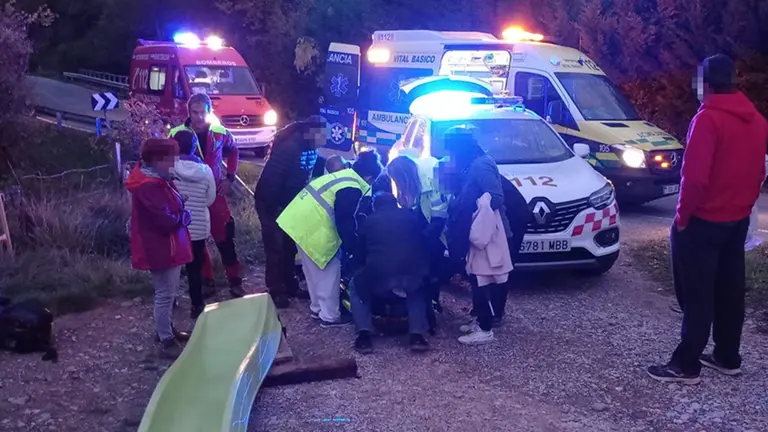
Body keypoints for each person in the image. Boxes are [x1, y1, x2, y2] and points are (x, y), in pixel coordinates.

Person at [648, 54, 768, 384]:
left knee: (697, 294)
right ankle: (728, 356)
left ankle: (686, 364)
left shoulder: (707, 119)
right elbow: (759, 172)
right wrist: (743, 206)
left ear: (708, 84)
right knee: (730, 289)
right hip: (736, 220)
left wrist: (682, 217)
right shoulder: (758, 121)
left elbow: (695, 178)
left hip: (702, 221)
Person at [277, 149, 384, 327]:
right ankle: (330, 316)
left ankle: (317, 308)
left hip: (297, 222)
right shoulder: (351, 187)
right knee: (330, 271)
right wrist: (354, 248)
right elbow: (345, 221)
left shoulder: (343, 176)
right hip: (315, 227)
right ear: (369, 177)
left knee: (312, 270)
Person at [169, 93, 244, 298]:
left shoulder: (220, 132)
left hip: (216, 194)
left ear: (210, 112)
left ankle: (235, 280)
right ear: (189, 112)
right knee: (196, 240)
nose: (199, 117)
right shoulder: (176, 134)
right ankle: (207, 281)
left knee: (225, 238)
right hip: (189, 197)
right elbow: (166, 161)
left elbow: (234, 151)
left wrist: (230, 178)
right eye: (195, 112)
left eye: (203, 112)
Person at [442, 127, 512, 345]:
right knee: (476, 277)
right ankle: (481, 319)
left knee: (482, 279)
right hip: (479, 231)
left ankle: (485, 327)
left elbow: (495, 197)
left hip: (485, 234)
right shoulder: (476, 162)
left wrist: (471, 210)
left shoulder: (480, 165)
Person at [126, 138, 193, 359]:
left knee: (169, 291)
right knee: (165, 293)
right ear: (158, 159)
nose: (174, 162)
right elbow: (165, 220)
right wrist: (183, 217)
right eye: (171, 158)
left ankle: (167, 329)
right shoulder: (150, 186)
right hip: (161, 247)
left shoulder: (158, 180)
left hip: (167, 245)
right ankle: (166, 338)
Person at [254, 116, 326, 308]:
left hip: (288, 204)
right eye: (322, 135)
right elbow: (272, 181)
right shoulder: (290, 148)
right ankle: (276, 290)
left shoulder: (310, 148)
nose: (324, 140)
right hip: (271, 204)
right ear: (310, 133)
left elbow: (310, 172)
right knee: (275, 247)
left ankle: (290, 284)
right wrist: (274, 210)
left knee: (289, 245)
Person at [350, 192, 431, 353]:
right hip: (411, 276)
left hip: (380, 278)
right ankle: (417, 335)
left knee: (355, 286)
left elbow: (360, 253)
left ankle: (364, 335)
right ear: (395, 203)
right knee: (417, 290)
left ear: (375, 206)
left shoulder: (368, 221)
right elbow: (423, 242)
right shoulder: (410, 217)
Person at [172, 130, 217, 319]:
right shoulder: (206, 171)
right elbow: (210, 199)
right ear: (194, 146)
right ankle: (196, 305)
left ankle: (170, 300)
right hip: (198, 226)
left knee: (173, 265)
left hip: (175, 226)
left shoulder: (169, 168)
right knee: (195, 268)